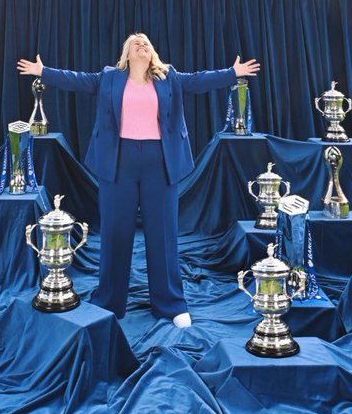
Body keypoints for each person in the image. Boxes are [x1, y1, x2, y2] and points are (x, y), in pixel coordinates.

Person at [17, 33, 260, 327]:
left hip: (159, 161)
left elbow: (199, 81)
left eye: (146, 43)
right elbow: (77, 79)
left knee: (163, 232)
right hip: (119, 161)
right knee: (115, 231)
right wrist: (44, 71)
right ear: (127, 55)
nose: (141, 45)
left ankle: (170, 304)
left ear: (152, 53)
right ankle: (109, 300)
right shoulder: (109, 77)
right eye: (135, 43)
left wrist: (232, 73)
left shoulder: (168, 76)